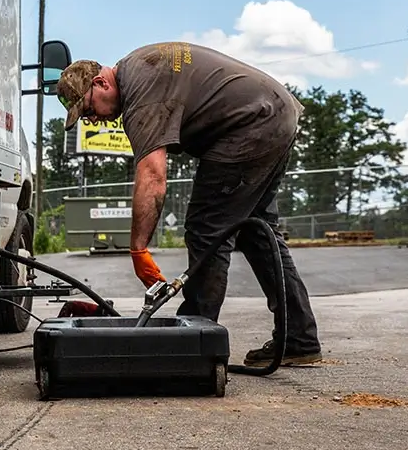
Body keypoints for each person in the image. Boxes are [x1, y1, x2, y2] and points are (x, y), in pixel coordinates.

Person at [55, 41, 322, 367]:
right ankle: (299, 338)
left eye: (88, 109)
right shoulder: (140, 69)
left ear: (101, 83)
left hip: (252, 123)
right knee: (257, 232)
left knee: (206, 230)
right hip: (274, 113)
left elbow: (153, 176)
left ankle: (192, 343)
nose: (92, 120)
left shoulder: (141, 93)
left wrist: (138, 249)